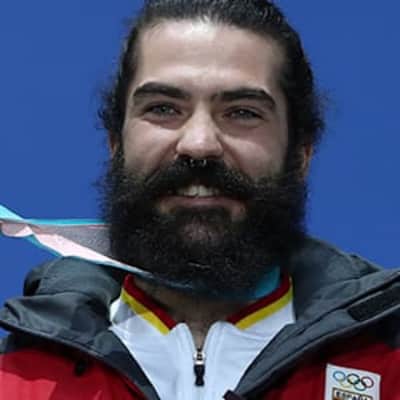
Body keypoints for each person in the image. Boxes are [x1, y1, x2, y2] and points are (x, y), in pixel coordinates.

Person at [0, 0, 399, 399]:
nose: (199, 144)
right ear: (115, 144)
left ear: (301, 154)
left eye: (242, 112)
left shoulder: (390, 366)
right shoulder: (13, 380)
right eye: (163, 108)